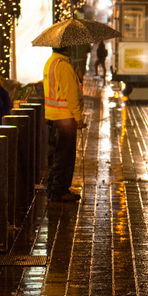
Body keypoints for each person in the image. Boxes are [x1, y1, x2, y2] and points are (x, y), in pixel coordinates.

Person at [43, 45, 86, 203]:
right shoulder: (64, 66)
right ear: (66, 48)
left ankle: (53, 188)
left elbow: (61, 88)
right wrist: (78, 118)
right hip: (65, 118)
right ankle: (60, 191)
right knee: (64, 156)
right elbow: (71, 95)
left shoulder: (51, 63)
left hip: (53, 116)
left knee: (54, 154)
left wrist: (77, 79)